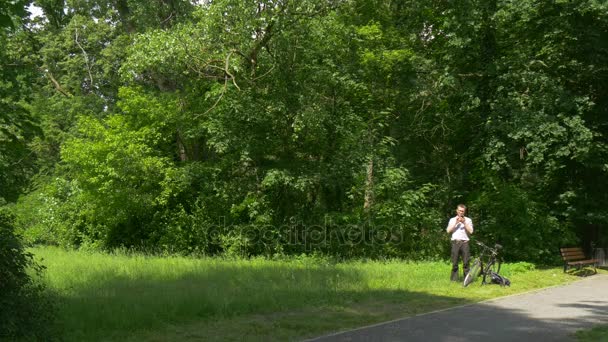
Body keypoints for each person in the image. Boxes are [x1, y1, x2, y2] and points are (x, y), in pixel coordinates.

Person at [446, 204, 474, 281]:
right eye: (460, 210)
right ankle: (454, 280)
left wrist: (464, 223)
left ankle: (467, 280)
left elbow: (471, 231)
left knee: (466, 263)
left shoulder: (468, 220)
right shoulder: (452, 220)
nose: (461, 212)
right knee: (455, 263)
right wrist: (456, 223)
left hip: (465, 243)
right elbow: (448, 231)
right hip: (455, 243)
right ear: (457, 211)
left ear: (464, 212)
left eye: (462, 211)